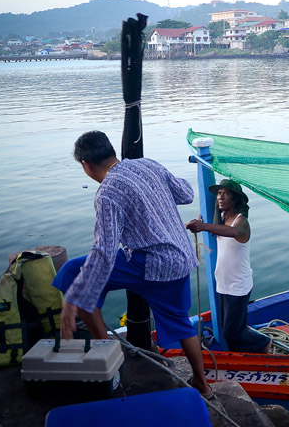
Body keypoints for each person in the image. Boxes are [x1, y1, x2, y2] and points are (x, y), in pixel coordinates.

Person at [54, 131, 213, 398]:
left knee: (72, 271)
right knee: (182, 323)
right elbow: (186, 193)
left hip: (150, 264)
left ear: (86, 164)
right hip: (181, 258)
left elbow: (104, 252)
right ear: (111, 151)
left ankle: (104, 346)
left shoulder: (107, 194)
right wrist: (155, 189)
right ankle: (203, 385)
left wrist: (72, 300)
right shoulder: (147, 164)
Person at [186, 179, 271, 354]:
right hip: (223, 283)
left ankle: (264, 342)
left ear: (236, 199)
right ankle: (242, 354)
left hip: (237, 285)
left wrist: (204, 226)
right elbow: (218, 229)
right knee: (231, 329)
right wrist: (204, 224)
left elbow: (234, 233)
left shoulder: (241, 222)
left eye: (226, 193)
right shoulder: (222, 220)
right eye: (219, 193)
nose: (220, 197)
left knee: (231, 332)